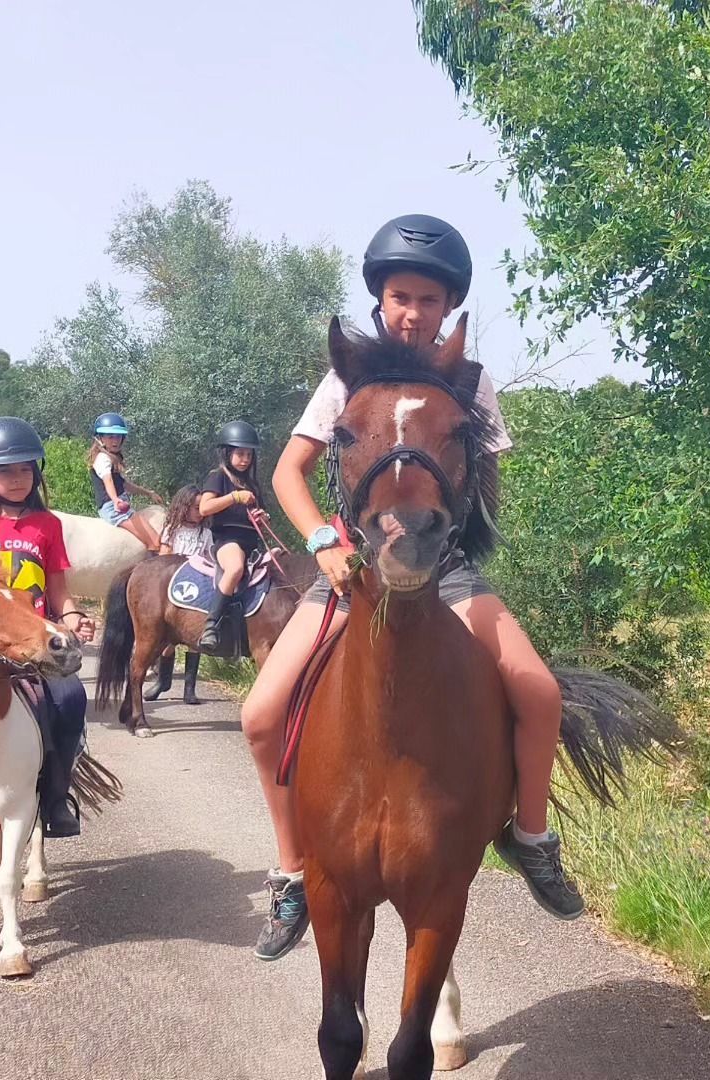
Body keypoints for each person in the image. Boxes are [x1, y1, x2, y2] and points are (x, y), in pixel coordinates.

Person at [241, 214, 581, 963]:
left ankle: (530, 837)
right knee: (261, 714)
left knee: (538, 691)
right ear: (380, 299)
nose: (413, 311)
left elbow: (483, 479)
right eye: (401, 296)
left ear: (450, 305)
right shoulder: (346, 379)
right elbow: (289, 472)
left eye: (429, 299)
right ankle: (292, 870)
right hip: (351, 570)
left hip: (445, 569)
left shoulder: (472, 381)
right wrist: (325, 542)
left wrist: (455, 537)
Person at [0, 417, 95, 837]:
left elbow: (59, 590)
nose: (17, 479)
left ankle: (56, 795)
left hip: (34, 645)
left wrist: (73, 619)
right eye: (6, 471)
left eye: (25, 469)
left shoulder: (47, 525)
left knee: (70, 698)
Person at [197, 422, 269, 653]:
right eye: (240, 454)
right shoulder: (218, 476)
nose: (245, 459)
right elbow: (205, 508)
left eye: (249, 454)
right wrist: (234, 497)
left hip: (252, 543)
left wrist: (262, 517)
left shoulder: (252, 484)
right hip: (228, 540)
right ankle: (211, 626)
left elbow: (259, 516)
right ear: (228, 454)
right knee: (235, 568)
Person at [143, 484, 209, 705]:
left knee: (194, 640)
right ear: (184, 506)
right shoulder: (172, 530)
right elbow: (163, 558)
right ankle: (163, 681)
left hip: (197, 587)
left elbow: (210, 559)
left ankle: (190, 689)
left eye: (202, 508)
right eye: (195, 507)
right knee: (168, 640)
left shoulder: (206, 534)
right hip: (174, 587)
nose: (199, 512)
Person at [88, 412, 163, 550]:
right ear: (100, 438)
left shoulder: (112, 458)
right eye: (110, 437)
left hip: (119, 505)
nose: (115, 441)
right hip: (113, 508)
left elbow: (125, 485)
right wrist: (115, 500)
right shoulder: (103, 459)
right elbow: (108, 480)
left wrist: (149, 493)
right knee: (156, 543)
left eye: (118, 436)